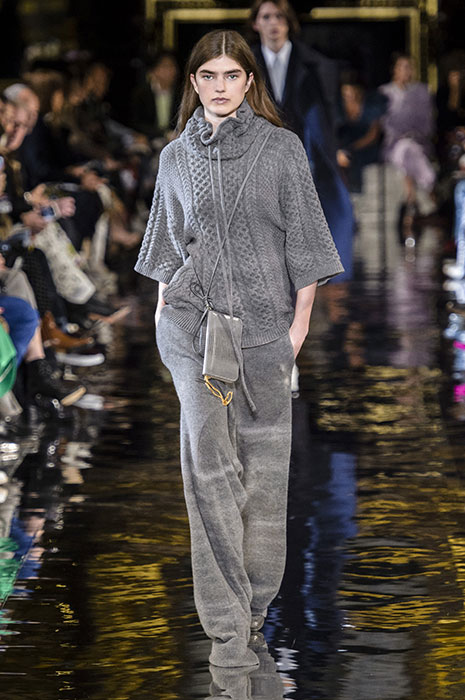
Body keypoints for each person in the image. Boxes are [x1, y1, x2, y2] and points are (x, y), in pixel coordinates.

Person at [135, 29, 343, 668]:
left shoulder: (282, 150)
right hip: (193, 330)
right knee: (208, 471)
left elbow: (307, 244)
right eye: (208, 75)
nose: (219, 86)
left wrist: (296, 331)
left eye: (231, 75)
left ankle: (253, 608)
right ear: (193, 83)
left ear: (250, 81)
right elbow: (166, 249)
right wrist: (164, 317)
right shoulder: (175, 157)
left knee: (263, 479)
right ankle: (226, 627)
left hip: (264, 332)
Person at [378, 53, 436, 244]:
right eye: (402, 67)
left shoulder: (422, 92)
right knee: (405, 148)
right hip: (393, 144)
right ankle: (429, 188)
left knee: (409, 149)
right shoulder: (385, 92)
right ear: (394, 69)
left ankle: (410, 201)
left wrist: (415, 134)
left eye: (409, 67)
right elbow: (384, 123)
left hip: (418, 143)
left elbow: (427, 123)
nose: (406, 71)